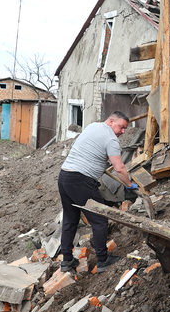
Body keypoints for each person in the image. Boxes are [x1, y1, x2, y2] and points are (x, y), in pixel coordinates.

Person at [58, 111, 139, 273]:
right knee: (100, 220)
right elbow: (120, 168)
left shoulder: (93, 127)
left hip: (65, 176)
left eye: (125, 129)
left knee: (70, 219)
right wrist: (129, 184)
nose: (123, 132)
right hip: (81, 181)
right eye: (121, 127)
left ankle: (67, 261)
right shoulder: (110, 138)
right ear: (111, 121)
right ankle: (103, 260)